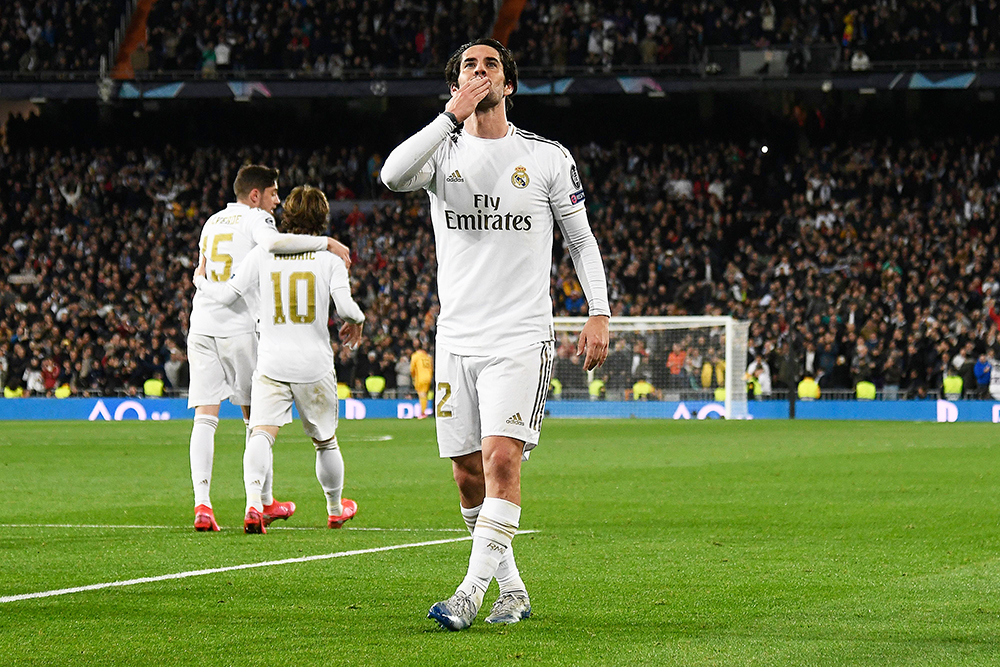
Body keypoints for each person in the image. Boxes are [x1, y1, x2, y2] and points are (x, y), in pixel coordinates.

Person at [381, 37, 611, 630]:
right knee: (466, 473)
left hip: (520, 337)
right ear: (456, 83)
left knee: (501, 459)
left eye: (490, 66)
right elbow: (390, 175)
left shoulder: (547, 157)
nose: (479, 73)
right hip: (456, 337)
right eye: (468, 67)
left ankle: (469, 593)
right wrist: (448, 117)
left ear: (509, 84)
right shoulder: (440, 152)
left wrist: (598, 311)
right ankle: (513, 590)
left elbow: (580, 240)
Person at [188, 164, 351, 532]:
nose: (277, 202)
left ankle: (202, 503)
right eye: (274, 194)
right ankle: (258, 503)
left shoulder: (212, 221)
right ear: (256, 195)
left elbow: (202, 268)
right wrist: (325, 243)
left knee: (205, 417)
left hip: (201, 324)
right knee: (256, 421)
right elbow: (276, 245)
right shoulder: (256, 220)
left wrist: (199, 284)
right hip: (240, 328)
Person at [410, 340, 433, 418]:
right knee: (425, 395)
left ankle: (423, 413)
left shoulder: (415, 356)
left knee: (422, 395)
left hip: (420, 377)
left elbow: (412, 369)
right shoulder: (427, 356)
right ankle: (423, 411)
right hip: (429, 377)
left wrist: (413, 377)